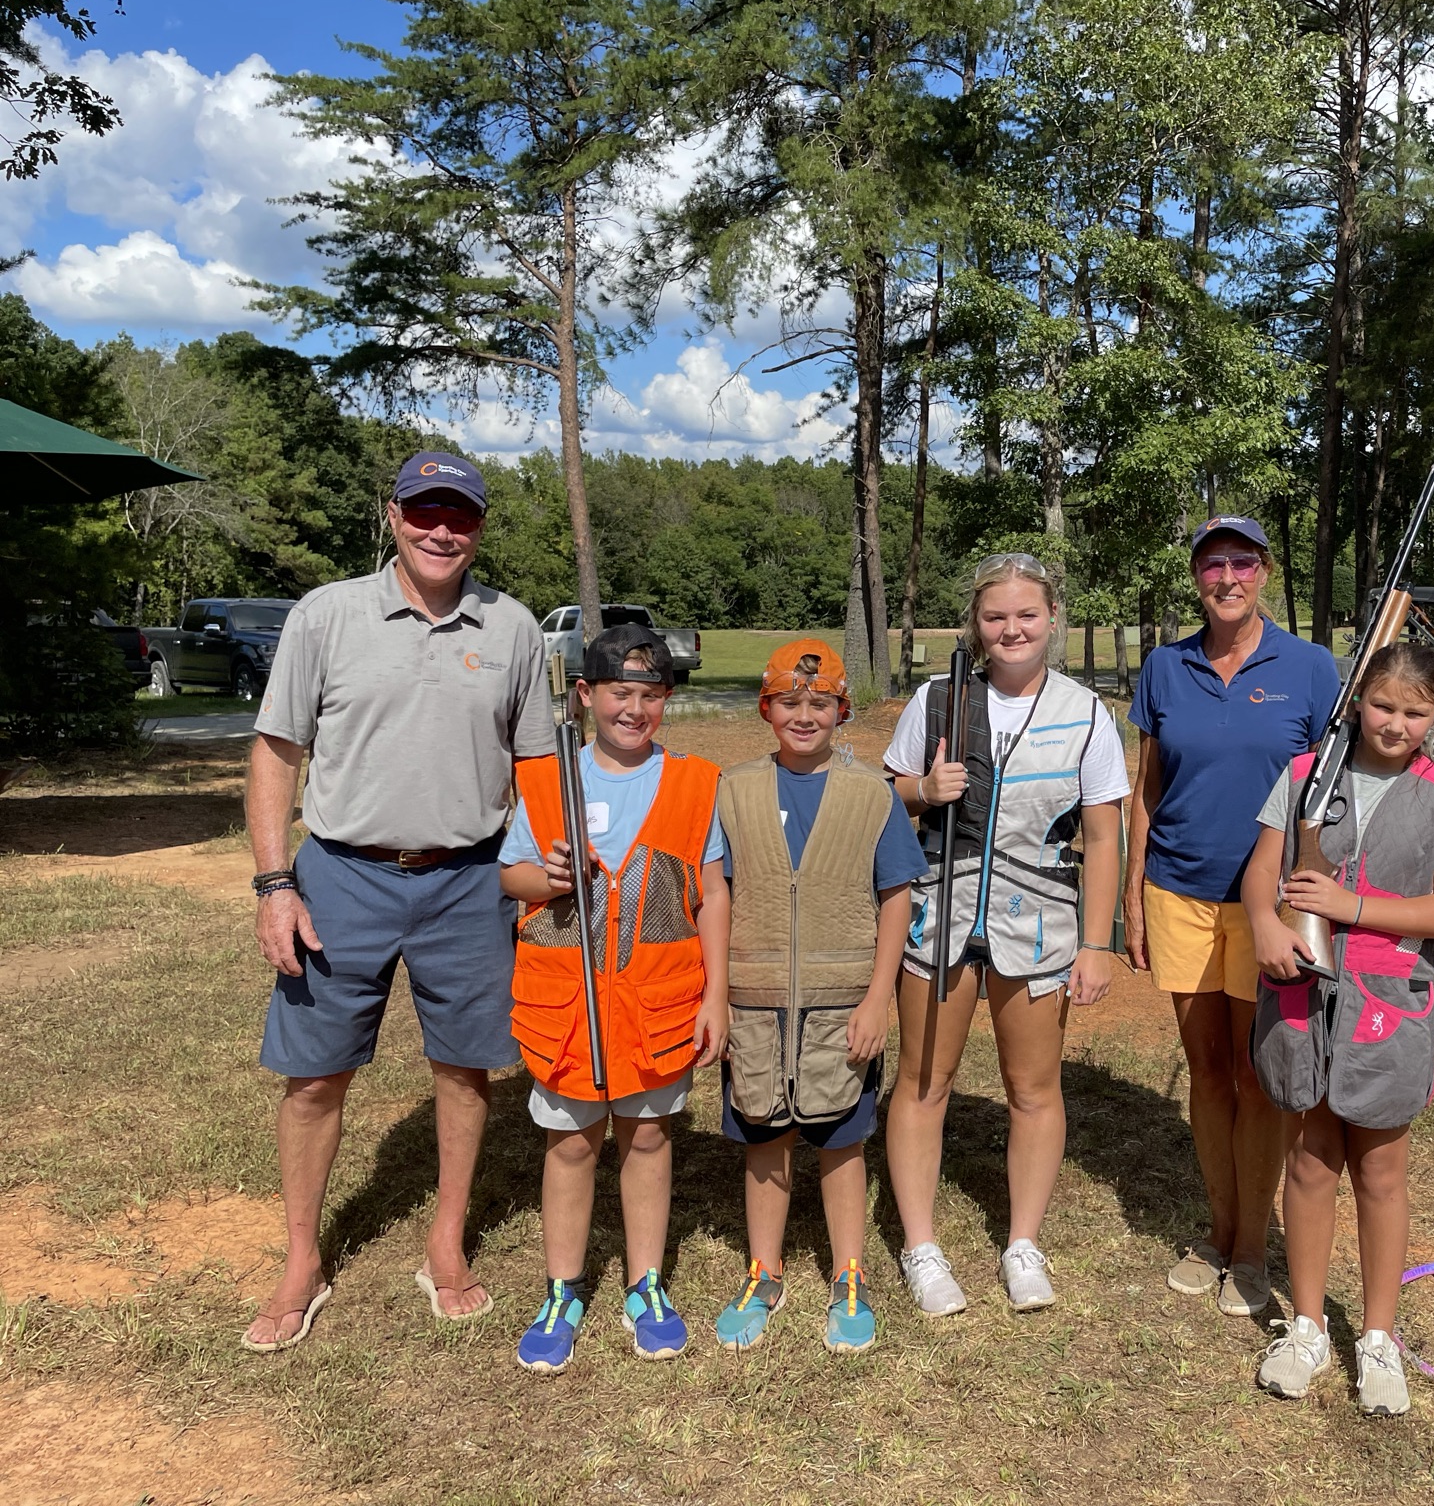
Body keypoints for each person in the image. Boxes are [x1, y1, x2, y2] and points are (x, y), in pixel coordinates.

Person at [241, 451, 554, 1352]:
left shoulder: (514, 627)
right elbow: (276, 751)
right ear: (393, 515)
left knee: (466, 1069)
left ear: (481, 526)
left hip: (469, 877)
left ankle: (446, 1242)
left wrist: (539, 880)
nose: (441, 529)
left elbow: (534, 768)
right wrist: (274, 885)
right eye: (425, 510)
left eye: (459, 513)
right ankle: (302, 1258)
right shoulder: (328, 614)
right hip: (341, 872)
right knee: (315, 1076)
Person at [882, 553, 1129, 1315]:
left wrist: (1097, 942)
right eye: (996, 616)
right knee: (925, 1080)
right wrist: (923, 789)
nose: (1011, 628)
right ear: (976, 625)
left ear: (1052, 618)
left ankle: (1023, 1242)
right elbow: (887, 800)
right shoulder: (935, 701)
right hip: (939, 917)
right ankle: (922, 1248)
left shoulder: (1088, 712)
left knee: (1032, 1089)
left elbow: (1104, 835)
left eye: (1027, 614)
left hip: (1040, 925)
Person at [1241, 643, 1434, 1412]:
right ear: (1357, 704)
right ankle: (1308, 1326)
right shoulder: (1305, 774)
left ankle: (1378, 1338)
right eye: (1383, 706)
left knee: (1380, 1172)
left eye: (1415, 713)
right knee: (1310, 1163)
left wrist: (1352, 909)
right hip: (1303, 994)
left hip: (1388, 1003)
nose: (1396, 724)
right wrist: (1263, 926)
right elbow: (1261, 870)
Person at [497, 625, 731, 1373]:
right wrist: (548, 877)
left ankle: (645, 1284)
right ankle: (563, 1290)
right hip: (565, 1011)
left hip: (660, 1006)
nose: (635, 709)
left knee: (651, 1138)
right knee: (569, 1143)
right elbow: (511, 876)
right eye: (620, 693)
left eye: (651, 695)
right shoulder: (545, 778)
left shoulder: (698, 782)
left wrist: (717, 995)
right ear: (586, 696)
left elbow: (713, 892)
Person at [1124, 516, 1340, 1319]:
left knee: (1260, 1077)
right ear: (1195, 577)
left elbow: (1331, 796)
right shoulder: (1164, 666)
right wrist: (1131, 896)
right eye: (1211, 564)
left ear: (1265, 572)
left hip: (1270, 906)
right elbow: (1146, 791)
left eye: (1241, 562)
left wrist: (1313, 897)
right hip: (1178, 893)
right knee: (1209, 1071)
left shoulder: (1312, 669)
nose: (1226, 577)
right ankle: (1217, 1234)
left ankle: (1254, 1247)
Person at [711, 640, 923, 1354]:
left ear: (843, 711)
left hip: (843, 1003)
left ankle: (848, 1274)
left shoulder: (871, 795)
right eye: (790, 703)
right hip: (756, 1000)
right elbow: (717, 894)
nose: (806, 717)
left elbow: (896, 896)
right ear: (766, 709)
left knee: (841, 1138)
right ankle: (763, 1272)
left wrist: (877, 999)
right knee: (764, 1136)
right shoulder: (732, 790)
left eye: (821, 703)